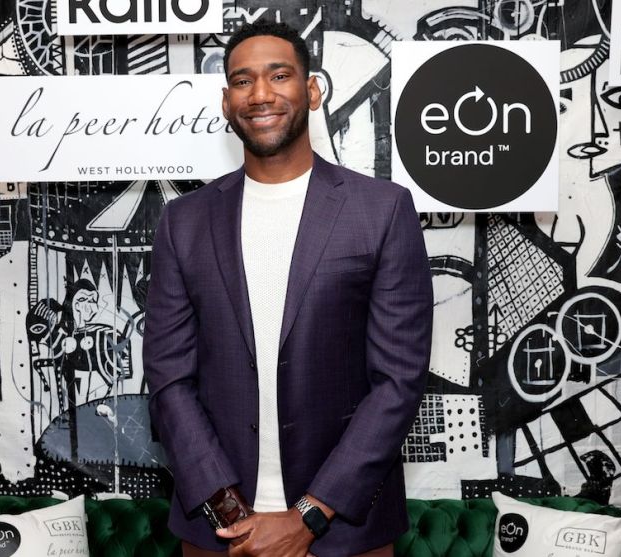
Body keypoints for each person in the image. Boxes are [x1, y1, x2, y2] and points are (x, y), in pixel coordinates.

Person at [143, 21, 433, 557]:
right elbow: (168, 378)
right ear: (227, 102)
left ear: (313, 90)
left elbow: (398, 381)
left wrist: (309, 515)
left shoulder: (381, 210)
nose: (261, 94)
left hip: (346, 528)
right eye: (243, 80)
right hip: (219, 530)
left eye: (279, 75)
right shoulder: (184, 222)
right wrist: (232, 514)